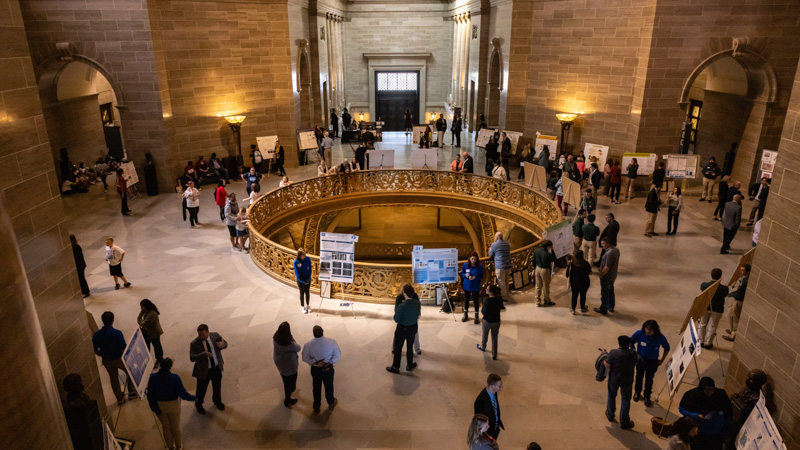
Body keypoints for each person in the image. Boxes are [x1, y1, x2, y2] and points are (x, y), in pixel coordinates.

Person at [147, 357, 195, 450]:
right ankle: (178, 446)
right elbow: (183, 394)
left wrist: (155, 409)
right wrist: (193, 398)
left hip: (160, 405)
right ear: (170, 367)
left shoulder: (152, 378)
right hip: (173, 405)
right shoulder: (175, 378)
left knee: (166, 427)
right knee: (176, 427)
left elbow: (150, 395)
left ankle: (170, 447)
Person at [92, 311, 139, 405]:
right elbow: (123, 348)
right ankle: (132, 392)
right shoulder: (117, 333)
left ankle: (119, 398)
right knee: (130, 371)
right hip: (118, 359)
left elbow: (95, 350)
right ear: (113, 320)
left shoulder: (96, 335)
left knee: (113, 378)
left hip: (106, 360)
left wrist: (103, 354)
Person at [678, 377, 732, 450]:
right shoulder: (692, 395)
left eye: (712, 390)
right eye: (707, 390)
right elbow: (682, 409)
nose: (709, 392)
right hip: (699, 434)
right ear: (701, 388)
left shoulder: (721, 395)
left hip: (716, 435)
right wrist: (696, 415)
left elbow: (728, 413)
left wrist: (726, 432)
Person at [189, 324, 228, 415]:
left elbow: (225, 344)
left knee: (217, 386)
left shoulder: (215, 336)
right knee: (201, 390)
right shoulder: (194, 343)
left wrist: (223, 345)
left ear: (208, 332)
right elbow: (191, 358)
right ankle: (198, 404)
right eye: (199, 334)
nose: (200, 336)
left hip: (216, 367)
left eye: (203, 334)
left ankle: (217, 401)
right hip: (203, 371)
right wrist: (203, 354)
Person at [630, 320, 670, 407]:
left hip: (652, 362)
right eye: (647, 328)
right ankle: (637, 392)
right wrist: (635, 353)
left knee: (649, 379)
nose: (648, 331)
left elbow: (667, 347)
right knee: (639, 377)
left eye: (650, 330)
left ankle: (647, 396)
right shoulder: (639, 333)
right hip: (641, 361)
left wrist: (662, 360)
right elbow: (631, 341)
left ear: (655, 330)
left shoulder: (660, 337)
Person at [302, 325, 341, 413]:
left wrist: (315, 362)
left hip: (316, 370)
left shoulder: (308, 345)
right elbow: (338, 356)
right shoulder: (331, 342)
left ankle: (316, 406)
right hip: (327, 369)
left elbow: (304, 358)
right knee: (329, 386)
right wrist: (329, 363)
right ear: (323, 332)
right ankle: (331, 402)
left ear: (313, 334)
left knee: (316, 387)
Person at [603, 335, 638, 430]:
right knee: (626, 400)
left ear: (619, 343)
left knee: (611, 396)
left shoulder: (613, 353)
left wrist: (604, 356)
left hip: (614, 379)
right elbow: (636, 360)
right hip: (627, 380)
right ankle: (624, 421)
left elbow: (607, 364)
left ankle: (610, 414)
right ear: (628, 344)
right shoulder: (633, 353)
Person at [386, 284, 422, 374]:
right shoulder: (417, 303)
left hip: (402, 329)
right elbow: (418, 315)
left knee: (398, 348)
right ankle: (409, 364)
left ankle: (395, 367)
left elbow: (396, 319)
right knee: (410, 347)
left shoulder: (401, 306)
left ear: (404, 294)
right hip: (413, 328)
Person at [698, 268, 729, 349]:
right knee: (712, 326)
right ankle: (708, 343)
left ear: (711, 275)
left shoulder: (704, 285)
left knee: (702, 324)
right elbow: (725, 295)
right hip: (717, 309)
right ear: (720, 276)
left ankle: (700, 341)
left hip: (705, 307)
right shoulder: (724, 289)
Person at [273, 322, 301, 407]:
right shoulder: (289, 344)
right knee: (290, 383)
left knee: (285, 379)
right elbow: (298, 348)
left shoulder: (276, 338)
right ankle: (288, 399)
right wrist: (293, 340)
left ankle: (288, 395)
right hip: (289, 366)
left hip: (280, 363)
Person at [723, 264, 750, 342]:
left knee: (734, 317)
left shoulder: (746, 282)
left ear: (747, 272)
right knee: (730, 314)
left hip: (739, 301)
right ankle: (732, 330)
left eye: (742, 270)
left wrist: (730, 294)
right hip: (737, 300)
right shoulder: (745, 279)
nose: (741, 272)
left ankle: (733, 335)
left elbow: (739, 293)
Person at [476, 285, 504, 359]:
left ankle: (483, 346)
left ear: (491, 292)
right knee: (495, 337)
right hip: (496, 321)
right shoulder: (499, 298)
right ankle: (494, 354)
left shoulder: (487, 300)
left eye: (487, 289)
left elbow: (483, 312)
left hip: (487, 321)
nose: (486, 290)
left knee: (485, 335)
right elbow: (502, 307)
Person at [594, 236, 619, 315]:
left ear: (608, 244)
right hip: (612, 275)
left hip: (607, 276)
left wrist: (601, 275)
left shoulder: (609, 253)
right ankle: (611, 306)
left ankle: (603, 309)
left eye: (603, 244)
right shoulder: (616, 249)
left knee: (604, 293)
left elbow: (607, 267)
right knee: (611, 291)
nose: (602, 246)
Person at [474, 374, 505, 439]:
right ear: (492, 387)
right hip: (488, 432)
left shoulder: (494, 392)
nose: (501, 387)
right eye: (499, 386)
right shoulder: (480, 400)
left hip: (494, 429)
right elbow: (478, 420)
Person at [137, 299, 164, 368]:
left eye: (142, 307)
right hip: (146, 333)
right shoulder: (145, 311)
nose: (141, 308)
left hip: (154, 333)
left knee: (157, 347)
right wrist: (141, 312)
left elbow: (144, 323)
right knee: (146, 347)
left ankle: (160, 359)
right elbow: (138, 318)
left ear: (146, 306)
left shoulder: (152, 313)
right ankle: (147, 361)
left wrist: (140, 322)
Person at [461, 252, 484, 323]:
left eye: (475, 259)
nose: (473, 260)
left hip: (475, 285)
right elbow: (462, 273)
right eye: (472, 259)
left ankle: (476, 316)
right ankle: (465, 314)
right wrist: (466, 275)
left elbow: (482, 275)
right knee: (466, 300)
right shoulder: (465, 265)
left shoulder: (479, 266)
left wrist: (475, 277)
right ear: (469, 258)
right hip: (467, 285)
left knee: (476, 301)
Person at [488, 232, 512, 301]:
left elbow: (490, 255)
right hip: (508, 264)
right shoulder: (507, 243)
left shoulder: (494, 245)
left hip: (500, 266)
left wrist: (490, 249)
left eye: (495, 237)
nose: (494, 238)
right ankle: (506, 293)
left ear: (497, 237)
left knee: (501, 282)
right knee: (506, 280)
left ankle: (504, 297)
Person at [566, 250, 591, 314]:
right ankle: (582, 308)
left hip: (574, 283)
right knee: (583, 295)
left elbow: (567, 274)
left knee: (574, 295)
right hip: (584, 283)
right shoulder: (586, 264)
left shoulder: (572, 264)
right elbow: (588, 272)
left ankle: (573, 309)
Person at [533, 240, 556, 307]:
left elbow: (533, 260)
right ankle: (547, 301)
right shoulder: (547, 254)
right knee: (546, 286)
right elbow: (554, 258)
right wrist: (553, 250)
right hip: (545, 270)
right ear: (548, 247)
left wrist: (535, 268)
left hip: (537, 268)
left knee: (538, 286)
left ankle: (537, 301)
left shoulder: (536, 250)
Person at [294, 248, 312, 314]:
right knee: (302, 293)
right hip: (300, 279)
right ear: (299, 255)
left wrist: (308, 279)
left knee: (307, 292)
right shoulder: (296, 261)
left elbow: (310, 269)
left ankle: (307, 305)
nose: (304, 256)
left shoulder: (307, 259)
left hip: (307, 278)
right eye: (303, 255)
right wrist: (302, 281)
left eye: (305, 254)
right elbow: (297, 273)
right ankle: (302, 306)